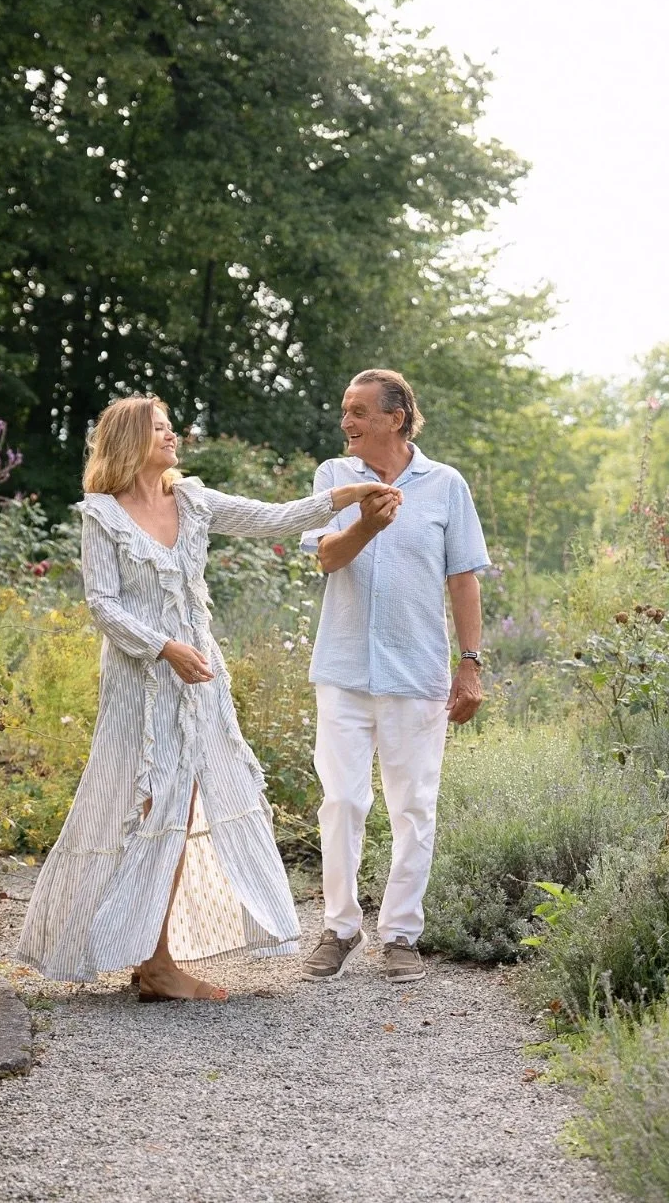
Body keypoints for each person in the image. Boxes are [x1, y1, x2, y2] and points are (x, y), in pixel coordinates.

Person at [16, 395, 398, 1002]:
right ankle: (148, 961)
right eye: (160, 429)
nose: (173, 437)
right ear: (128, 442)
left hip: (199, 682)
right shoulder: (103, 516)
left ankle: (154, 960)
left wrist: (344, 499)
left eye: (171, 428)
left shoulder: (192, 499)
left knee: (186, 799)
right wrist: (164, 646)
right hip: (140, 685)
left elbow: (274, 518)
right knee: (141, 804)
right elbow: (102, 605)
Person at [299, 369, 489, 984]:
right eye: (344, 410)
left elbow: (463, 578)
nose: (346, 422)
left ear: (396, 417)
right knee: (342, 800)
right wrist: (367, 524)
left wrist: (470, 664)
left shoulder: (445, 485)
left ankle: (401, 935)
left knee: (414, 807)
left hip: (417, 673)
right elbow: (326, 557)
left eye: (358, 411)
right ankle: (339, 928)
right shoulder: (335, 478)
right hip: (344, 668)